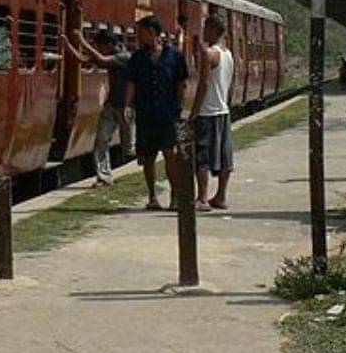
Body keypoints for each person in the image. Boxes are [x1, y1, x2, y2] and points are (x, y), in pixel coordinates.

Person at [125, 15, 189, 210]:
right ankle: (152, 196)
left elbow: (181, 84)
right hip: (145, 113)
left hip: (168, 113)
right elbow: (131, 82)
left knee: (170, 154)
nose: (138, 37)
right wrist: (128, 105)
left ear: (151, 32)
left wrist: (179, 108)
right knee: (148, 157)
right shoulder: (137, 57)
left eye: (140, 32)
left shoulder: (174, 56)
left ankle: (175, 197)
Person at [63, 28, 133, 186]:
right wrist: (68, 46)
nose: (99, 50)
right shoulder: (110, 55)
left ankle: (138, 172)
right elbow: (84, 60)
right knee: (101, 140)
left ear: (110, 45)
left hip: (127, 107)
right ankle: (104, 176)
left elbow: (102, 61)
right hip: (111, 105)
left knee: (129, 147)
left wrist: (82, 41)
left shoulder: (123, 57)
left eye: (100, 47)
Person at [190, 14, 234, 211]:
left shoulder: (210, 54)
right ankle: (221, 196)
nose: (203, 32)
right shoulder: (228, 54)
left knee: (202, 156)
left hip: (207, 112)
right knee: (225, 157)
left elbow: (204, 83)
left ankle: (202, 198)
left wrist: (194, 111)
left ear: (214, 29)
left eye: (206, 28)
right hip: (223, 110)